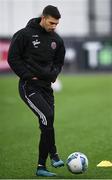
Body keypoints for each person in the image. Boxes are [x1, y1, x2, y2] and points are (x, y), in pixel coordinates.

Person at [8, 5, 65, 177]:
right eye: (51, 23)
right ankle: (54, 154)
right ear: (43, 18)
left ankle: (41, 166)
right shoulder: (24, 34)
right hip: (29, 87)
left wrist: (53, 75)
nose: (54, 26)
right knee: (47, 116)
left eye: (56, 24)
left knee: (47, 122)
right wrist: (27, 76)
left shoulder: (57, 40)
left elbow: (58, 62)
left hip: (46, 88)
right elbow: (13, 58)